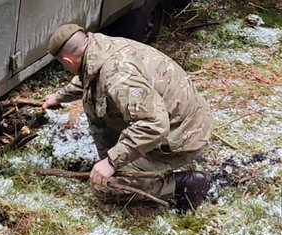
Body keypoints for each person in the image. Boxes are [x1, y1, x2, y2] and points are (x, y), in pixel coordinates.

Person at [43, 24, 214, 210]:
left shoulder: (119, 77)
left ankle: (182, 184)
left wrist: (111, 162)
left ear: (67, 60)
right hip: (179, 119)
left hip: (182, 137)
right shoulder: (101, 48)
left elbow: (154, 124)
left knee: (107, 188)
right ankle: (132, 163)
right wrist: (60, 96)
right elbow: (89, 76)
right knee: (94, 99)